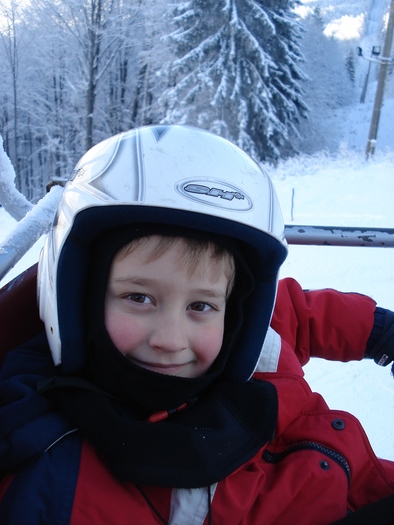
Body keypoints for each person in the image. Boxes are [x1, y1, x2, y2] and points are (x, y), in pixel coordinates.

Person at [0, 125, 393, 525]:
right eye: (139, 298)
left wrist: (382, 331)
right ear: (79, 298)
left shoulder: (247, 335)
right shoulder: (57, 484)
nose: (171, 340)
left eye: (200, 305)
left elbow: (297, 311)